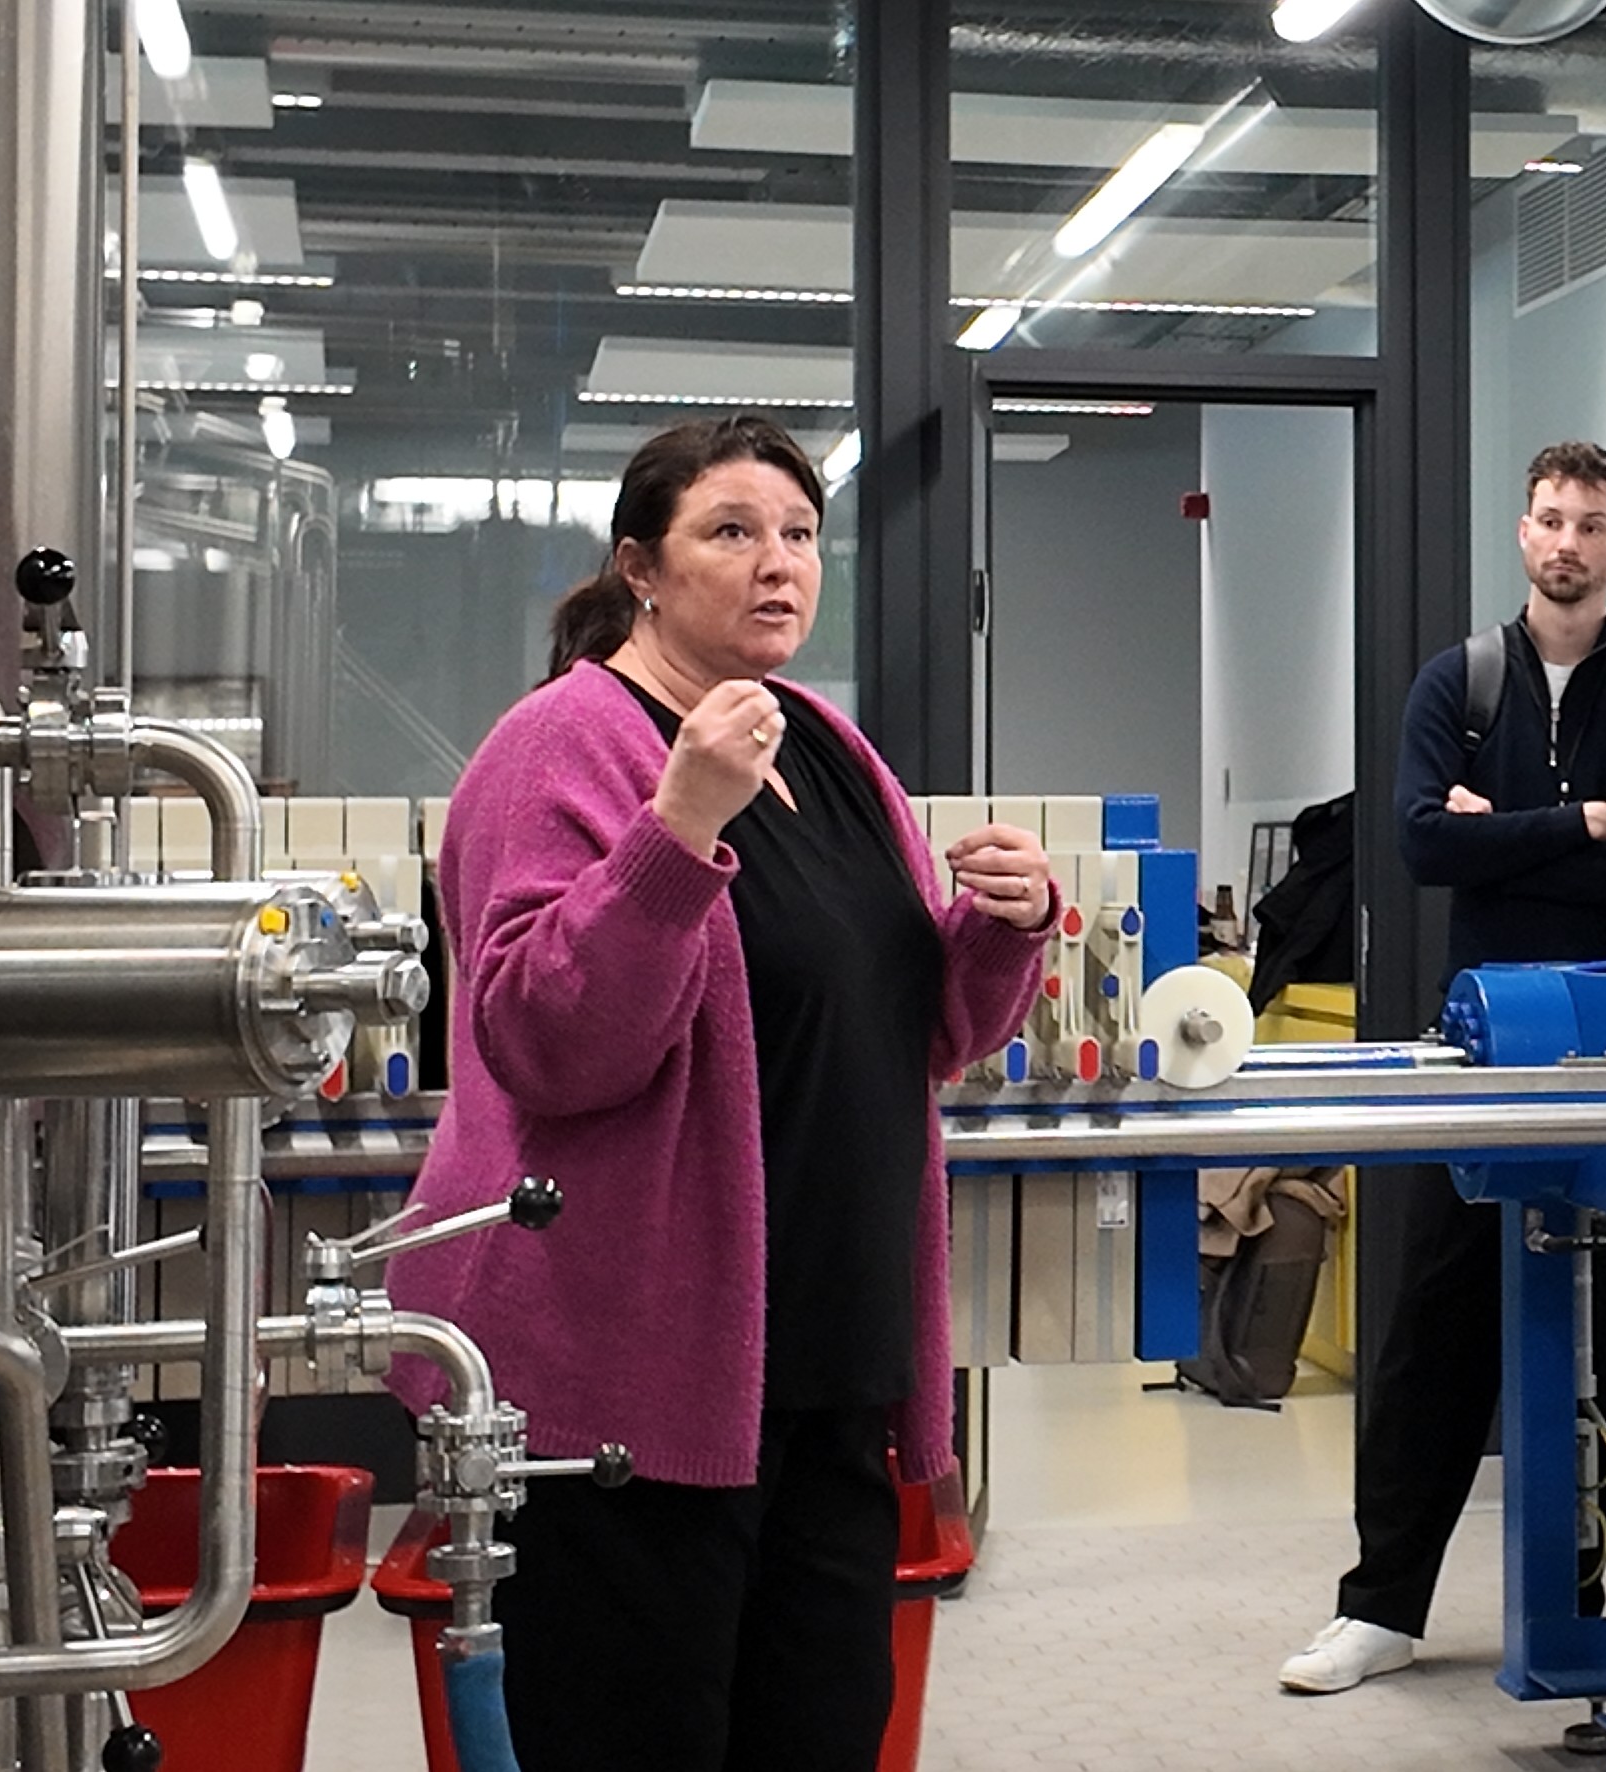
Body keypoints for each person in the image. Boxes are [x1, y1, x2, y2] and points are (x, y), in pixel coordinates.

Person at [384, 414, 1058, 1770]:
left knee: (818, 1733)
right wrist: (677, 830)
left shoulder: (822, 744)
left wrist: (1004, 924)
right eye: (731, 533)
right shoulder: (559, 744)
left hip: (825, 1364)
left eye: (800, 534)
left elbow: (924, 1034)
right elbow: (544, 1043)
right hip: (636, 1384)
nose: (778, 565)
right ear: (641, 565)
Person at [1278, 441, 1606, 1695]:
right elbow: (1419, 846)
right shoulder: (1463, 679)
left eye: (1590, 522)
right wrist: (1583, 825)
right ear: (1522, 533)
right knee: (1436, 1332)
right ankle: (1379, 1605)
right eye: (1549, 518)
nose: (1566, 540)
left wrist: (1509, 835)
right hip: (1487, 1050)